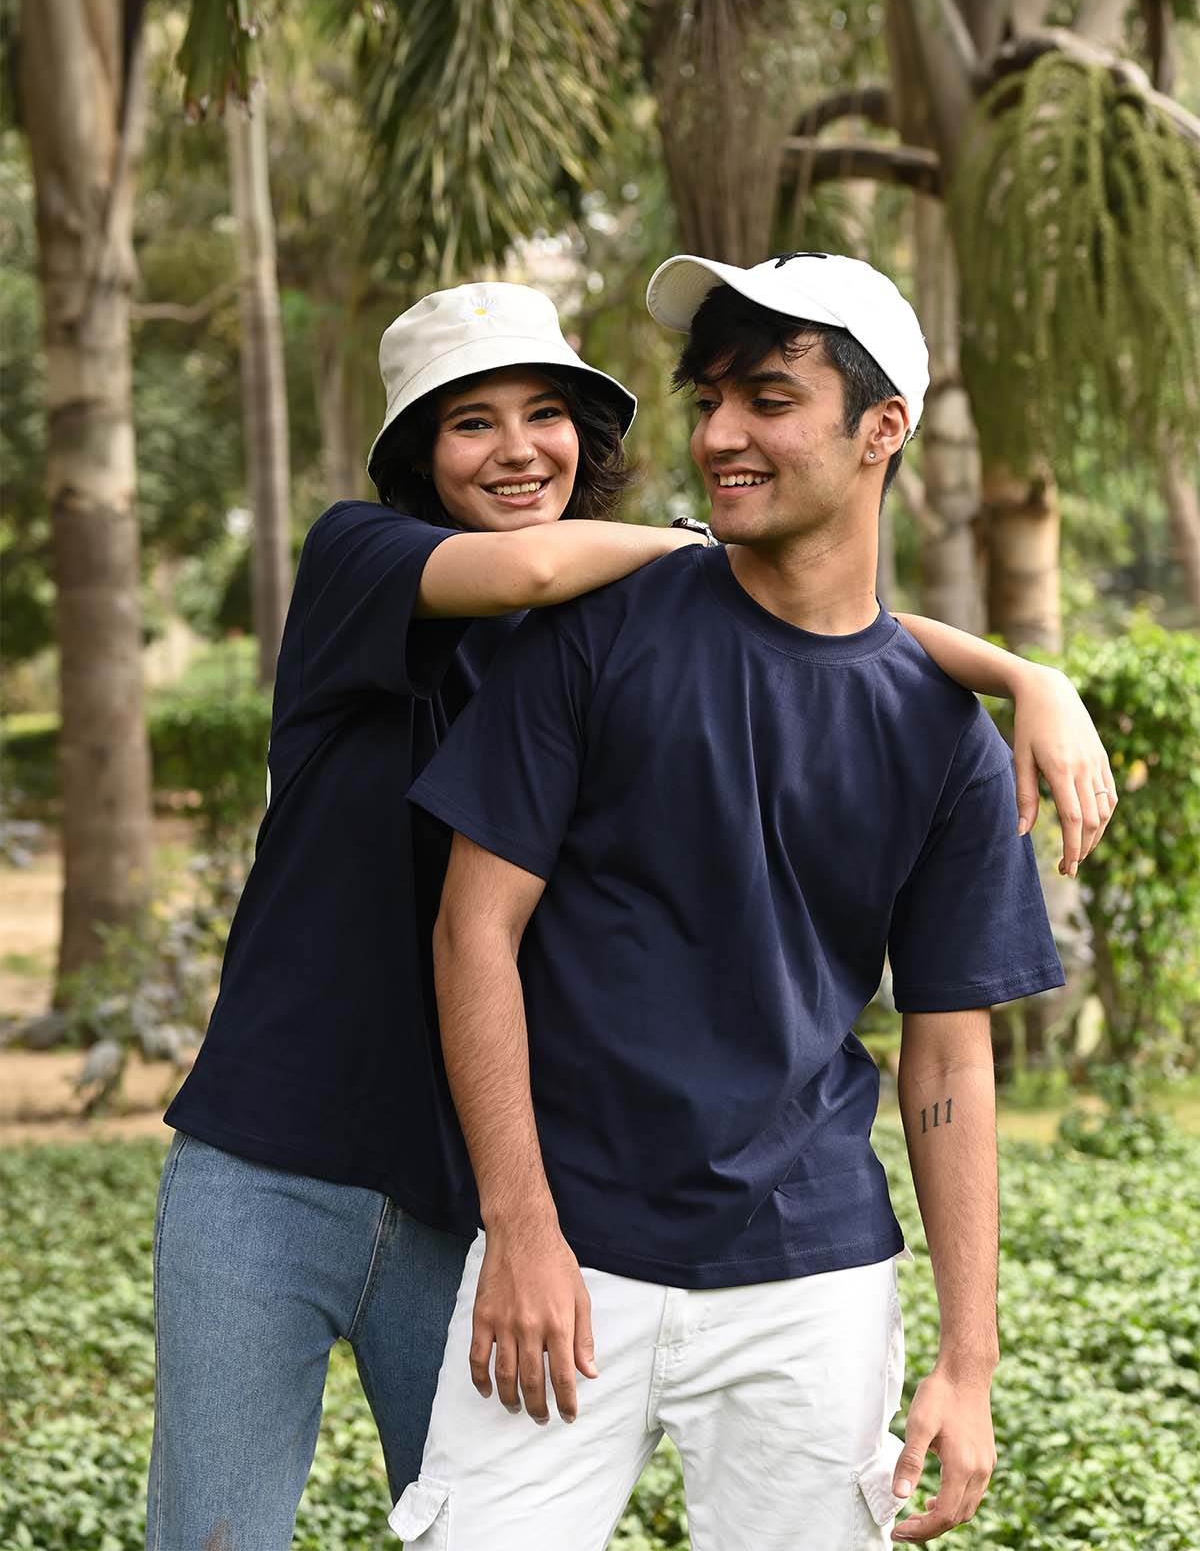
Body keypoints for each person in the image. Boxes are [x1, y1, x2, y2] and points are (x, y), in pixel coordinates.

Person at [146, 276, 1109, 1551]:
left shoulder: (598, 620)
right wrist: (730, 544)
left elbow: (831, 635)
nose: (516, 449)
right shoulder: (374, 565)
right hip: (281, 1154)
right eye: (467, 422)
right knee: (212, 1534)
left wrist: (1019, 671)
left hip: (455, 1184)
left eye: (545, 414)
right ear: (412, 453)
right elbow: (585, 571)